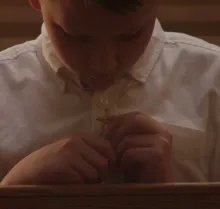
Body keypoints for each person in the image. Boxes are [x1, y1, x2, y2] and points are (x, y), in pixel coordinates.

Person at [0, 0, 219, 185]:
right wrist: (17, 185)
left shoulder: (213, 83)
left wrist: (171, 200)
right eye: (75, 37)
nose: (103, 65)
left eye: (130, 35)